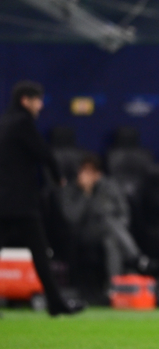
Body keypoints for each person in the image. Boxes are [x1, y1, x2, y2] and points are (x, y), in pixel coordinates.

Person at [0, 80, 85, 316]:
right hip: (21, 203)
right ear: (25, 100)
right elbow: (44, 153)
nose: (40, 106)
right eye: (37, 100)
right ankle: (56, 302)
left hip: (3, 200)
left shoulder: (4, 122)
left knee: (34, 251)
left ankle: (56, 302)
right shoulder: (22, 122)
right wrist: (58, 177)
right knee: (40, 253)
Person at [60, 154, 147, 286]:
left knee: (110, 241)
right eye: (84, 171)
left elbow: (124, 214)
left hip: (112, 233)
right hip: (84, 234)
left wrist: (119, 229)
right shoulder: (69, 190)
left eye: (91, 172)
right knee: (108, 221)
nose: (87, 176)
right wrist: (85, 194)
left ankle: (114, 286)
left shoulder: (110, 187)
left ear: (98, 174)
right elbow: (72, 219)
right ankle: (136, 257)